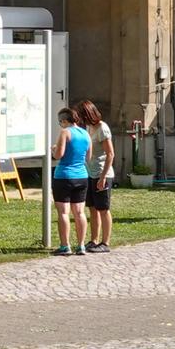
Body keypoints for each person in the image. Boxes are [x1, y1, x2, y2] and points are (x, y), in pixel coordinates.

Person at [74, 98, 115, 253]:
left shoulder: (102, 128)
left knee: (103, 208)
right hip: (90, 173)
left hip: (102, 173)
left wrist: (103, 176)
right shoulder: (89, 128)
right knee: (92, 208)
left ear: (87, 114)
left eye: (81, 115)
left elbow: (110, 154)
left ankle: (105, 242)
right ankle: (94, 240)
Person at [49, 106, 91, 256]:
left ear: (66, 121)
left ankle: (65, 245)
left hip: (64, 176)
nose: (60, 124)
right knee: (79, 212)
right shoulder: (86, 134)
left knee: (63, 213)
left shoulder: (65, 132)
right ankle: (81, 246)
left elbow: (58, 155)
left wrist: (53, 149)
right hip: (81, 175)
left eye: (60, 122)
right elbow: (88, 157)